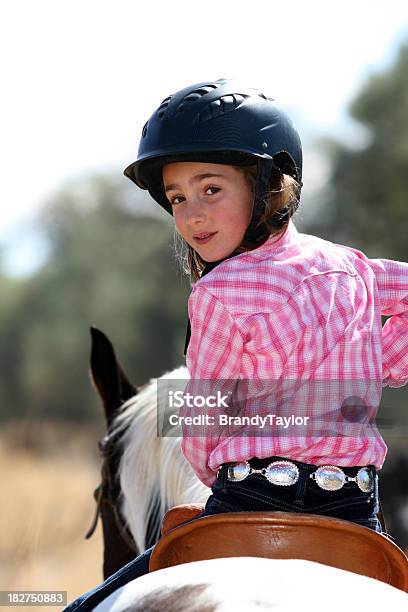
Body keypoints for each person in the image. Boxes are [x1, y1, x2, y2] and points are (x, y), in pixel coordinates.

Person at [64, 78, 408, 610]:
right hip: (354, 511)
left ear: (268, 186)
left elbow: (202, 427)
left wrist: (212, 473)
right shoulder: (354, 268)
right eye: (177, 198)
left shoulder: (218, 292)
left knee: (85, 605)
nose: (191, 215)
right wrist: (383, 360)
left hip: (247, 499)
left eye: (210, 189)